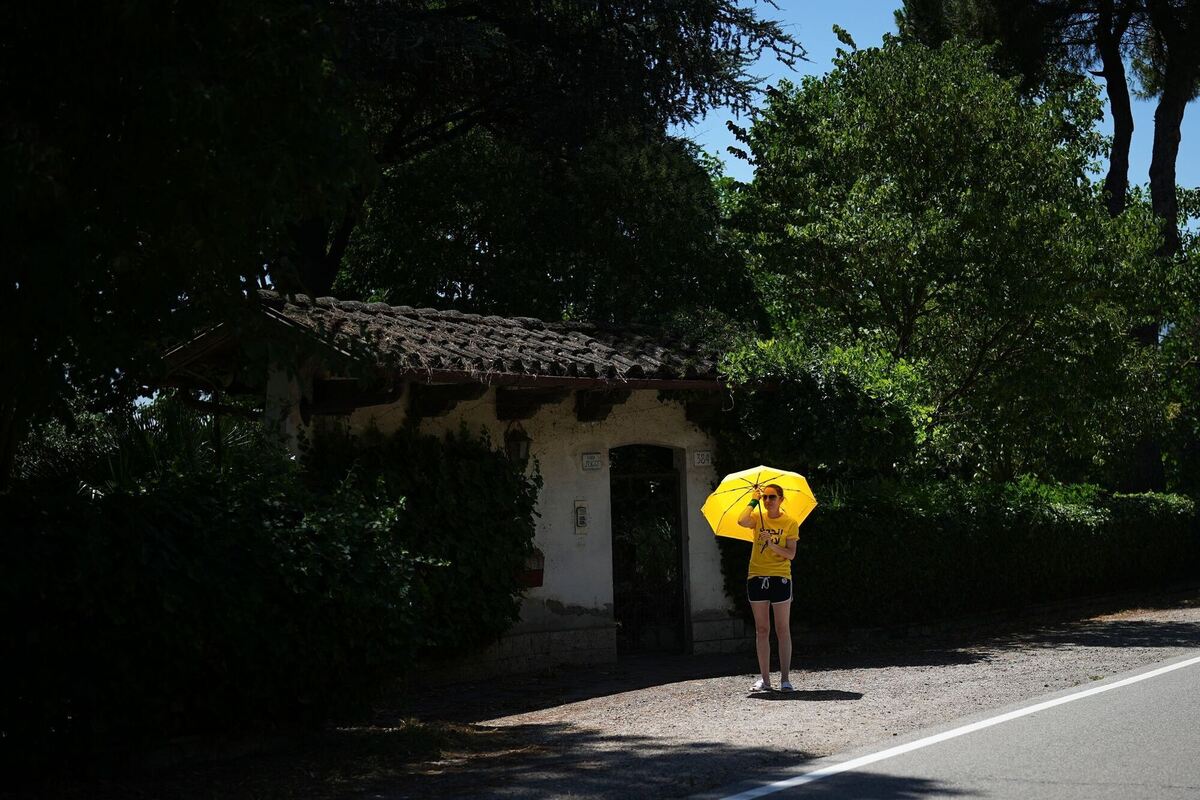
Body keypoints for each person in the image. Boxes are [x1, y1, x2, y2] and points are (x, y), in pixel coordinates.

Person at [737, 483, 800, 692]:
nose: (768, 501)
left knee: (783, 629)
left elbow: (791, 554)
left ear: (781, 499)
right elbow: (741, 520)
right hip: (757, 575)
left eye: (772, 497)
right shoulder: (757, 519)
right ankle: (765, 679)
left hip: (780, 576)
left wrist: (771, 543)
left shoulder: (790, 522)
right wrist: (752, 500)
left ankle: (785, 679)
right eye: (765, 497)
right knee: (762, 629)